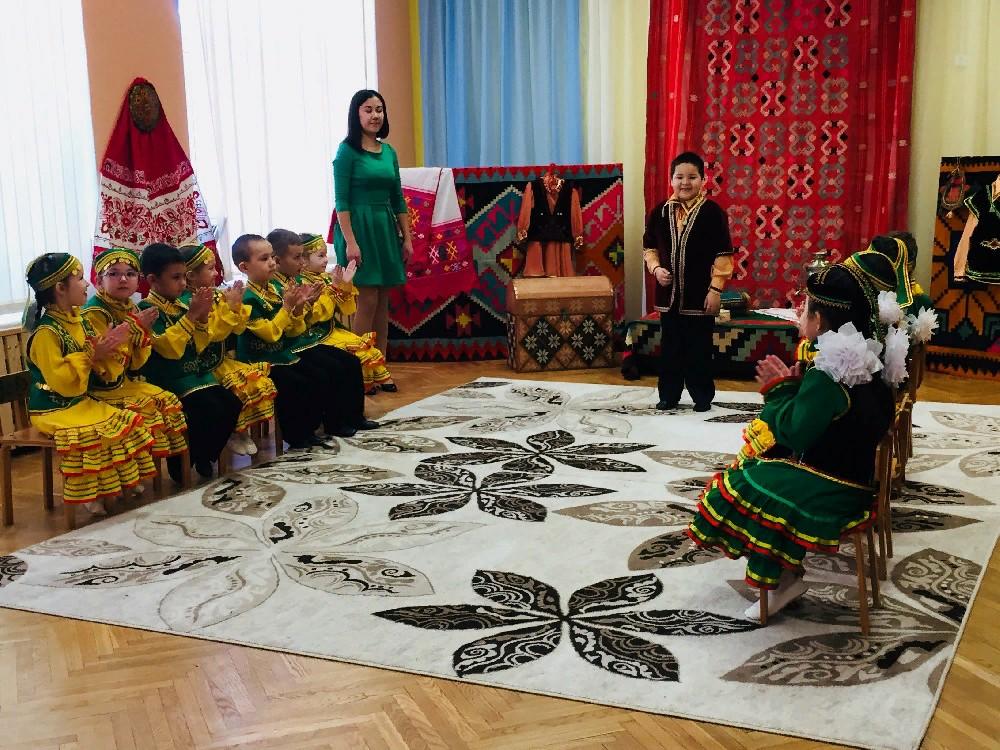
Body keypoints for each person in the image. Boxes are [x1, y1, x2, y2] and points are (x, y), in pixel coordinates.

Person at [686, 263, 896, 621]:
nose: (800, 311)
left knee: (743, 482)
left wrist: (778, 391)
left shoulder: (828, 372)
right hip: (860, 482)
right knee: (763, 472)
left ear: (820, 319)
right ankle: (785, 575)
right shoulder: (865, 359)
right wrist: (796, 391)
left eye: (805, 306)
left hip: (833, 491)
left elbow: (794, 434)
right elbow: (830, 419)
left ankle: (783, 583)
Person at [23, 253, 157, 516]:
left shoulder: (80, 320)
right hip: (53, 408)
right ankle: (89, 493)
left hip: (79, 402)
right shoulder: (46, 333)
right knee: (95, 434)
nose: (87, 284)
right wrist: (93, 355)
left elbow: (106, 367)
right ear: (60, 288)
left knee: (126, 421)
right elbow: (62, 382)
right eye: (81, 279)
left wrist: (114, 346)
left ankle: (114, 485)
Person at [137, 243, 242, 479]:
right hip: (169, 379)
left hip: (194, 374)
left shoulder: (182, 305)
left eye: (184, 277)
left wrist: (202, 319)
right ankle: (182, 463)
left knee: (232, 403)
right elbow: (168, 349)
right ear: (153, 280)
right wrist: (193, 316)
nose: (183, 283)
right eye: (176, 278)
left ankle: (204, 455)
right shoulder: (147, 309)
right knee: (208, 409)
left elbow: (200, 344)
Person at [643, 151, 733, 412]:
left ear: (703, 180)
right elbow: (649, 247)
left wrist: (715, 290)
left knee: (699, 348)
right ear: (671, 180)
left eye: (692, 177)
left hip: (699, 296)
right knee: (670, 348)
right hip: (668, 296)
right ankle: (668, 395)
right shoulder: (659, 212)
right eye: (679, 177)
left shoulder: (713, 213)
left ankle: (701, 396)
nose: (685, 183)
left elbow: (723, 255)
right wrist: (656, 269)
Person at [82, 248, 189, 462]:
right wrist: (133, 329)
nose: (123, 279)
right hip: (100, 388)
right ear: (99, 281)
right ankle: (132, 469)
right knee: (143, 413)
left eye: (130, 274)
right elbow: (107, 368)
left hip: (125, 382)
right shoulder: (95, 312)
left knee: (167, 402)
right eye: (114, 273)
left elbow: (137, 362)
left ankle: (151, 469)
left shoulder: (130, 307)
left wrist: (140, 333)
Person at [266, 228, 377, 436]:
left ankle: (354, 417)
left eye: (302, 257)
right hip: (290, 346)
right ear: (278, 261)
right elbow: (303, 322)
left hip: (302, 341)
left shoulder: (294, 281)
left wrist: (341, 287)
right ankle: (333, 424)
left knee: (350, 362)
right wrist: (307, 304)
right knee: (330, 369)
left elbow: (310, 318)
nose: (301, 262)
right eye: (297, 257)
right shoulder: (276, 287)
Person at [331, 89, 413, 357]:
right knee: (367, 300)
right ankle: (358, 368)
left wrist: (407, 238)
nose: (375, 115)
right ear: (356, 114)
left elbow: (398, 199)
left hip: (384, 230)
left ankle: (380, 365)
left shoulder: (389, 152)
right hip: (358, 231)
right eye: (368, 110)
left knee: (382, 303)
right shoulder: (346, 151)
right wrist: (351, 243)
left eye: (379, 110)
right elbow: (341, 202)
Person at [180, 243, 277, 456]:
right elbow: (214, 334)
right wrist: (231, 309)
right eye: (210, 269)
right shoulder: (188, 303)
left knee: (257, 382)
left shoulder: (217, 295)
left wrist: (235, 307)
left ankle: (238, 431)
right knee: (235, 390)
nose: (216, 273)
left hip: (221, 360)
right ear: (191, 276)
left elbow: (238, 329)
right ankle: (232, 433)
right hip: (202, 366)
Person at [300, 232, 395, 394]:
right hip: (314, 335)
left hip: (332, 330)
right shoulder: (302, 283)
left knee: (367, 347)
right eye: (321, 256)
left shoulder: (327, 278)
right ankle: (363, 385)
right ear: (303, 260)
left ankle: (377, 380)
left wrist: (346, 284)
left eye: (326, 255)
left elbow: (348, 309)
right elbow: (318, 316)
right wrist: (335, 288)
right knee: (357, 350)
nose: (326, 260)